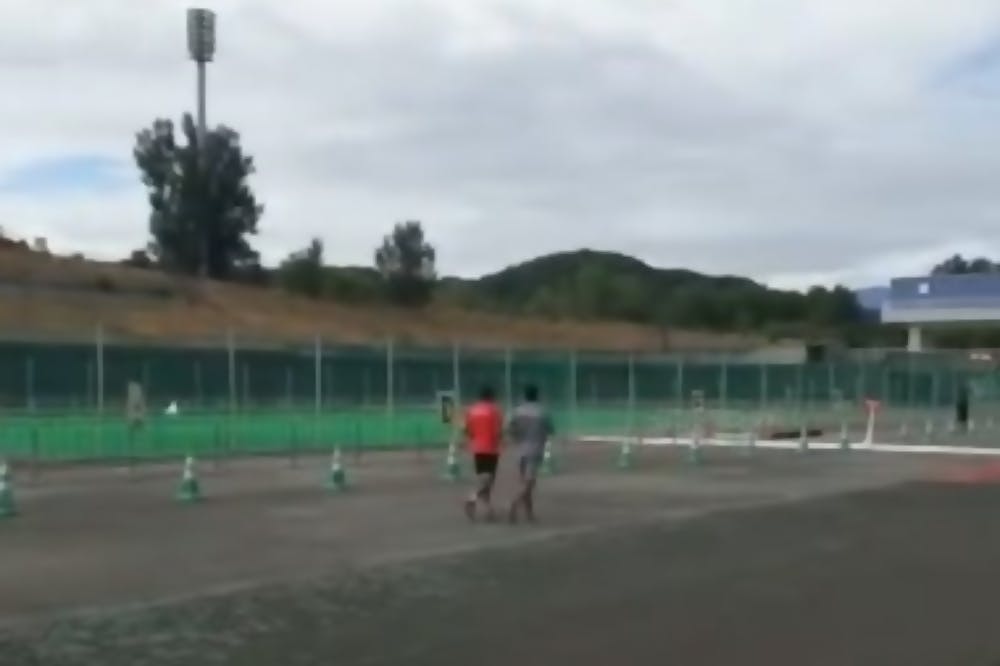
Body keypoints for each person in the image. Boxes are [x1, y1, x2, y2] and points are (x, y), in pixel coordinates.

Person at [506, 384, 554, 524]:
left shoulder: (517, 411)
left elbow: (510, 429)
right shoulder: (542, 412)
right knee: (530, 483)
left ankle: (529, 514)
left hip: (520, 449)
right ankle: (515, 502)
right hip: (535, 448)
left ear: (524, 396)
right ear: (537, 396)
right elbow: (550, 429)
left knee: (525, 482)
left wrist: (516, 437)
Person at [463, 385, 504, 521]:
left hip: (477, 448)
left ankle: (489, 511)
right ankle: (473, 497)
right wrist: (500, 442)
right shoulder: (494, 410)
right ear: (491, 397)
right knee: (488, 481)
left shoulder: (472, 410)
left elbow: (467, 430)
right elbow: (498, 431)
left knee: (483, 479)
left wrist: (474, 439)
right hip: (491, 449)